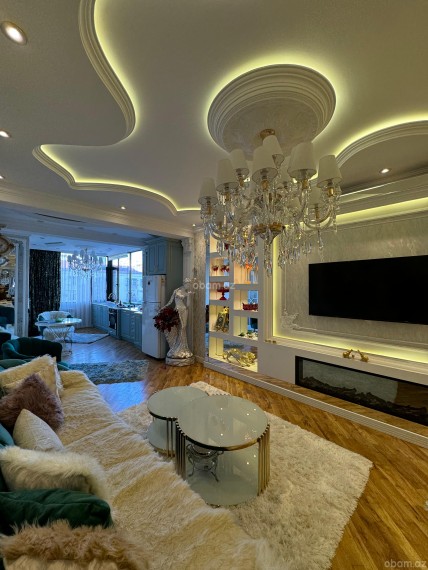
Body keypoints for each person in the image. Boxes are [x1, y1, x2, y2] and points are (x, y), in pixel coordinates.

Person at [162, 278, 194, 362]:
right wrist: (163, 307)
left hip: (184, 310)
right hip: (177, 310)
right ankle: (178, 346)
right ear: (184, 283)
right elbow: (170, 301)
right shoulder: (176, 291)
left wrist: (189, 296)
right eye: (188, 285)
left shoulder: (187, 292)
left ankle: (183, 347)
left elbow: (188, 305)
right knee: (179, 327)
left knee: (183, 327)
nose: (188, 287)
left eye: (190, 285)